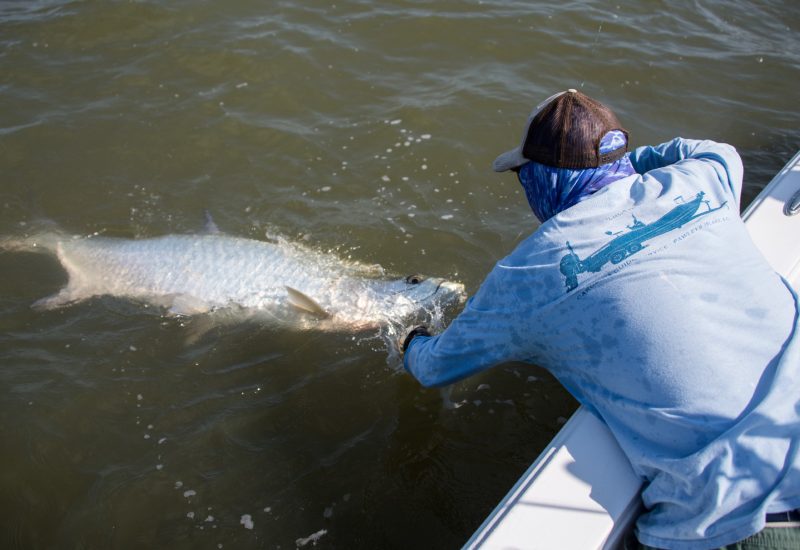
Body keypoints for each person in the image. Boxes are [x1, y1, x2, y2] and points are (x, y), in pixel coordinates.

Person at [400, 89, 800, 549]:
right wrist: (622, 165)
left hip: (740, 519)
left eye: (523, 176)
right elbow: (709, 149)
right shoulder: (701, 180)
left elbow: (432, 368)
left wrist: (407, 337)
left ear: (542, 178)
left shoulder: (531, 270)